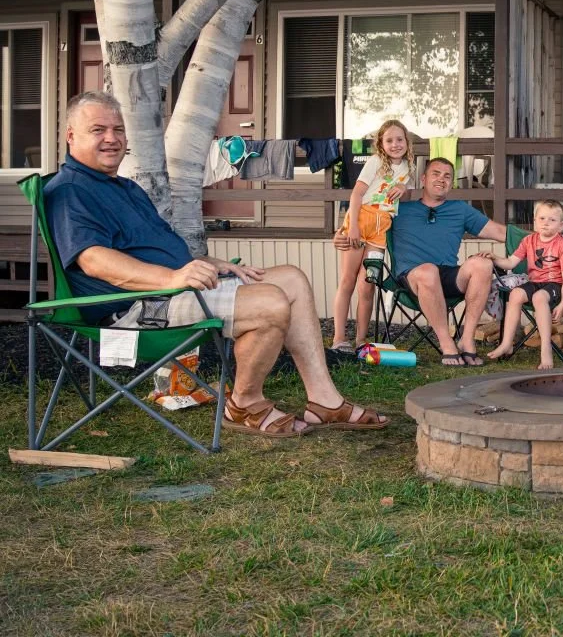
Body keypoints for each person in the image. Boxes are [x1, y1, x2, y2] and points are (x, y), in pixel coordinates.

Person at [46, 91, 387, 437]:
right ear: (71, 136)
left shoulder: (125, 189)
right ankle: (244, 404)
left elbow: (151, 249)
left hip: (173, 288)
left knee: (292, 279)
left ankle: (324, 402)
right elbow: (94, 261)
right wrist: (174, 276)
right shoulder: (70, 190)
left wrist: (206, 263)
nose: (112, 138)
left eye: (118, 129)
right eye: (98, 130)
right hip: (138, 306)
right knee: (270, 303)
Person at [376, 157, 507, 367]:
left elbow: (500, 232)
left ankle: (466, 339)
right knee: (428, 271)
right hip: (411, 278)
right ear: (423, 179)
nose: (441, 179)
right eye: (436, 174)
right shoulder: (400, 209)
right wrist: (346, 233)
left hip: (447, 275)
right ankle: (447, 344)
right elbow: (368, 218)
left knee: (483, 264)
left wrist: (544, 238)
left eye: (447, 176)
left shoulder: (460, 209)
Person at [330, 119, 415, 353]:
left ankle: (361, 340)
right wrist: (354, 227)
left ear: (407, 142)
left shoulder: (409, 167)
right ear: (381, 144)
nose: (395, 144)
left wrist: (405, 190)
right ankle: (339, 338)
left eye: (399, 139)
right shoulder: (376, 162)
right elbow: (356, 195)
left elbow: (401, 200)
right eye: (389, 140)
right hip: (361, 219)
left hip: (381, 227)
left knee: (368, 284)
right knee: (347, 281)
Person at [485, 200, 563, 370]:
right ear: (534, 221)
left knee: (539, 297)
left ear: (561, 225)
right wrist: (495, 258)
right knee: (515, 294)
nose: (545, 223)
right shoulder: (528, 241)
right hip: (533, 282)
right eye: (541, 218)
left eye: (551, 220)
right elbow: (511, 263)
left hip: (554, 285)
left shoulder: (562, 245)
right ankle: (507, 343)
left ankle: (546, 349)